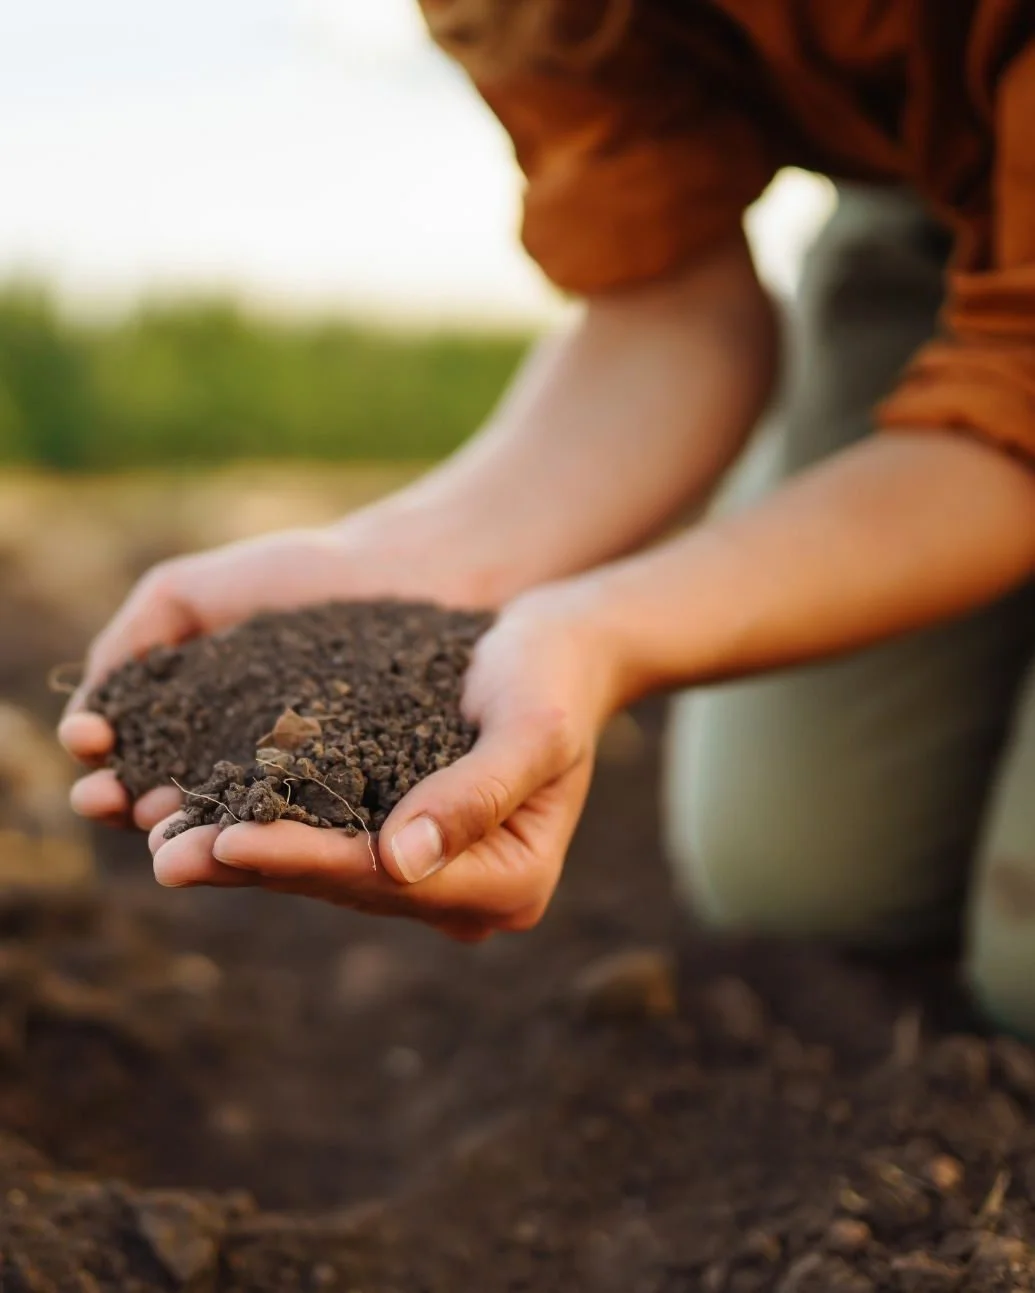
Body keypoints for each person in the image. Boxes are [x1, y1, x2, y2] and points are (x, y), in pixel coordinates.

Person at [61, 1, 1035, 1026]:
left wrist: (608, 634)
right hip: (937, 189)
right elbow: (667, 307)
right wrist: (411, 561)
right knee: (805, 878)